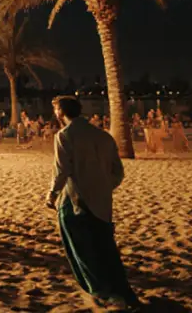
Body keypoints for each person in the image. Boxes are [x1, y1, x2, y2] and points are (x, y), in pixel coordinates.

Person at [46, 96, 140, 308]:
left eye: (55, 110)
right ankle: (119, 290)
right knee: (105, 245)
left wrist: (51, 194)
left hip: (76, 200)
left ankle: (99, 290)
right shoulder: (104, 136)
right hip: (102, 201)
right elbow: (118, 172)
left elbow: (62, 170)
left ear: (60, 112)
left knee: (81, 248)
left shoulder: (64, 136)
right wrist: (104, 186)